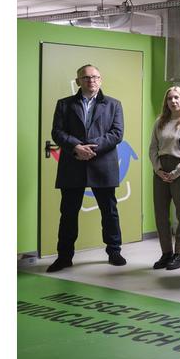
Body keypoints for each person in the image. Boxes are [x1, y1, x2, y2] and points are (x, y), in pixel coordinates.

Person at [47, 64, 127, 271]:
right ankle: (64, 257)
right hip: (73, 164)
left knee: (109, 212)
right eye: (86, 77)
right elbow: (57, 132)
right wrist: (76, 147)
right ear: (78, 81)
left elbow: (117, 133)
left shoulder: (114, 104)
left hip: (103, 164)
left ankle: (114, 251)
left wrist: (90, 147)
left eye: (95, 77)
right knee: (68, 213)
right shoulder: (64, 104)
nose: (91, 80)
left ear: (100, 80)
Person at [149, 86, 180, 271]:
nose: (173, 101)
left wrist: (176, 172)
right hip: (161, 169)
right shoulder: (160, 121)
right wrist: (158, 169)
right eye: (170, 98)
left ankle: (179, 254)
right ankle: (166, 253)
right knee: (161, 214)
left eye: (177, 97)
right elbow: (153, 148)